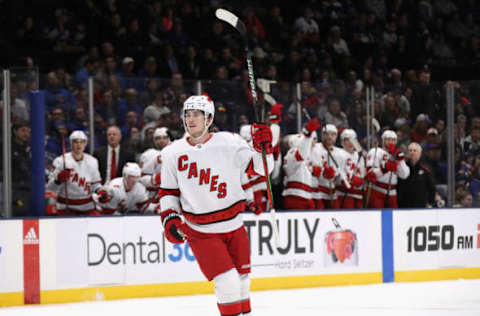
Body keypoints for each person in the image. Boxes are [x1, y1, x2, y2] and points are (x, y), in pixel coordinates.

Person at [158, 94, 273, 316]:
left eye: (197, 115)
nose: (191, 120)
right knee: (227, 283)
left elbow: (263, 169)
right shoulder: (172, 153)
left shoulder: (230, 142)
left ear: (209, 118)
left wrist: (264, 148)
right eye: (187, 115)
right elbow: (168, 192)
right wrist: (170, 217)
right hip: (201, 231)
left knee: (242, 281)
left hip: (235, 225)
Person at [46, 131, 104, 215]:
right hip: (66, 207)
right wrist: (58, 180)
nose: (79, 145)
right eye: (75, 142)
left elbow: (95, 185)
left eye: (82, 142)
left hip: (87, 207)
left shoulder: (93, 161)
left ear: (85, 144)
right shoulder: (60, 161)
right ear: (71, 143)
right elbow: (50, 188)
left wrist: (101, 191)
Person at [281, 118, 320, 209]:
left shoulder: (301, 155)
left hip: (304, 195)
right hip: (296, 197)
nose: (312, 143)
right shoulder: (293, 153)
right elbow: (302, 153)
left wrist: (314, 170)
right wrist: (307, 134)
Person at [365, 130, 410, 208]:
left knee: (393, 218)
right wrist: (384, 168)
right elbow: (370, 174)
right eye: (388, 139)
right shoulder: (375, 151)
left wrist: (401, 160)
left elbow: (404, 175)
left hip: (392, 192)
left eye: (393, 140)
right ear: (383, 140)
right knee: (377, 217)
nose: (391, 142)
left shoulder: (397, 154)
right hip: (377, 190)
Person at [311, 124, 341, 209]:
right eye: (326, 134)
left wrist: (335, 174)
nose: (329, 137)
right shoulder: (315, 148)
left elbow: (340, 173)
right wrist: (321, 173)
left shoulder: (340, 153)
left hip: (332, 193)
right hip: (318, 193)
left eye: (332, 134)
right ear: (322, 135)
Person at [139, 127, 172, 202]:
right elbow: (141, 179)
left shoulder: (177, 153)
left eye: (164, 138)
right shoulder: (148, 154)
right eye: (158, 138)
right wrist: (156, 179)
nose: (161, 140)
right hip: (153, 195)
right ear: (154, 140)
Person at [397, 142, 436, 208]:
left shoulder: (425, 170)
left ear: (420, 153)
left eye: (415, 150)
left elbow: (432, 188)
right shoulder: (402, 168)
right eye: (410, 150)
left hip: (420, 206)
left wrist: (430, 203)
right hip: (403, 206)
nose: (412, 152)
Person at [336, 129, 365, 209]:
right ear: (342, 141)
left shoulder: (359, 155)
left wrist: (362, 180)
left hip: (358, 195)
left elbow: (363, 173)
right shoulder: (339, 154)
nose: (350, 142)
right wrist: (344, 181)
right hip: (344, 195)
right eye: (347, 140)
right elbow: (337, 174)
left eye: (353, 139)